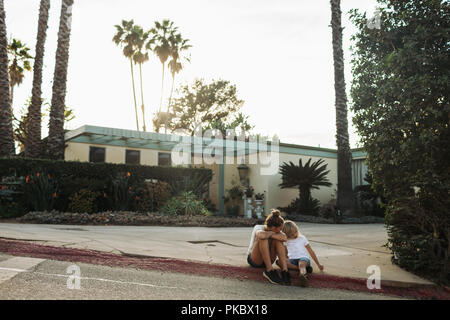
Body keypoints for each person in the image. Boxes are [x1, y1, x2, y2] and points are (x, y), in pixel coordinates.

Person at [247, 209, 291, 285]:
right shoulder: (258, 227)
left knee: (278, 240)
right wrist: (272, 233)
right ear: (274, 227)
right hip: (255, 260)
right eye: (280, 228)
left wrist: (272, 234)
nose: (281, 230)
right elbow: (262, 235)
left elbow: (284, 238)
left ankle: (285, 271)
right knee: (263, 238)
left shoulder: (277, 231)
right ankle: (269, 271)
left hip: (269, 260)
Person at [281, 220, 324, 287]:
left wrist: (318, 264)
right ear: (286, 234)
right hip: (292, 260)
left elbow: (311, 251)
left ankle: (303, 276)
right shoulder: (285, 241)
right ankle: (306, 269)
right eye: (291, 234)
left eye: (295, 232)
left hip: (303, 258)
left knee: (301, 264)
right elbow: (285, 254)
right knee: (279, 262)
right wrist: (285, 261)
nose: (294, 235)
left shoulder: (302, 238)